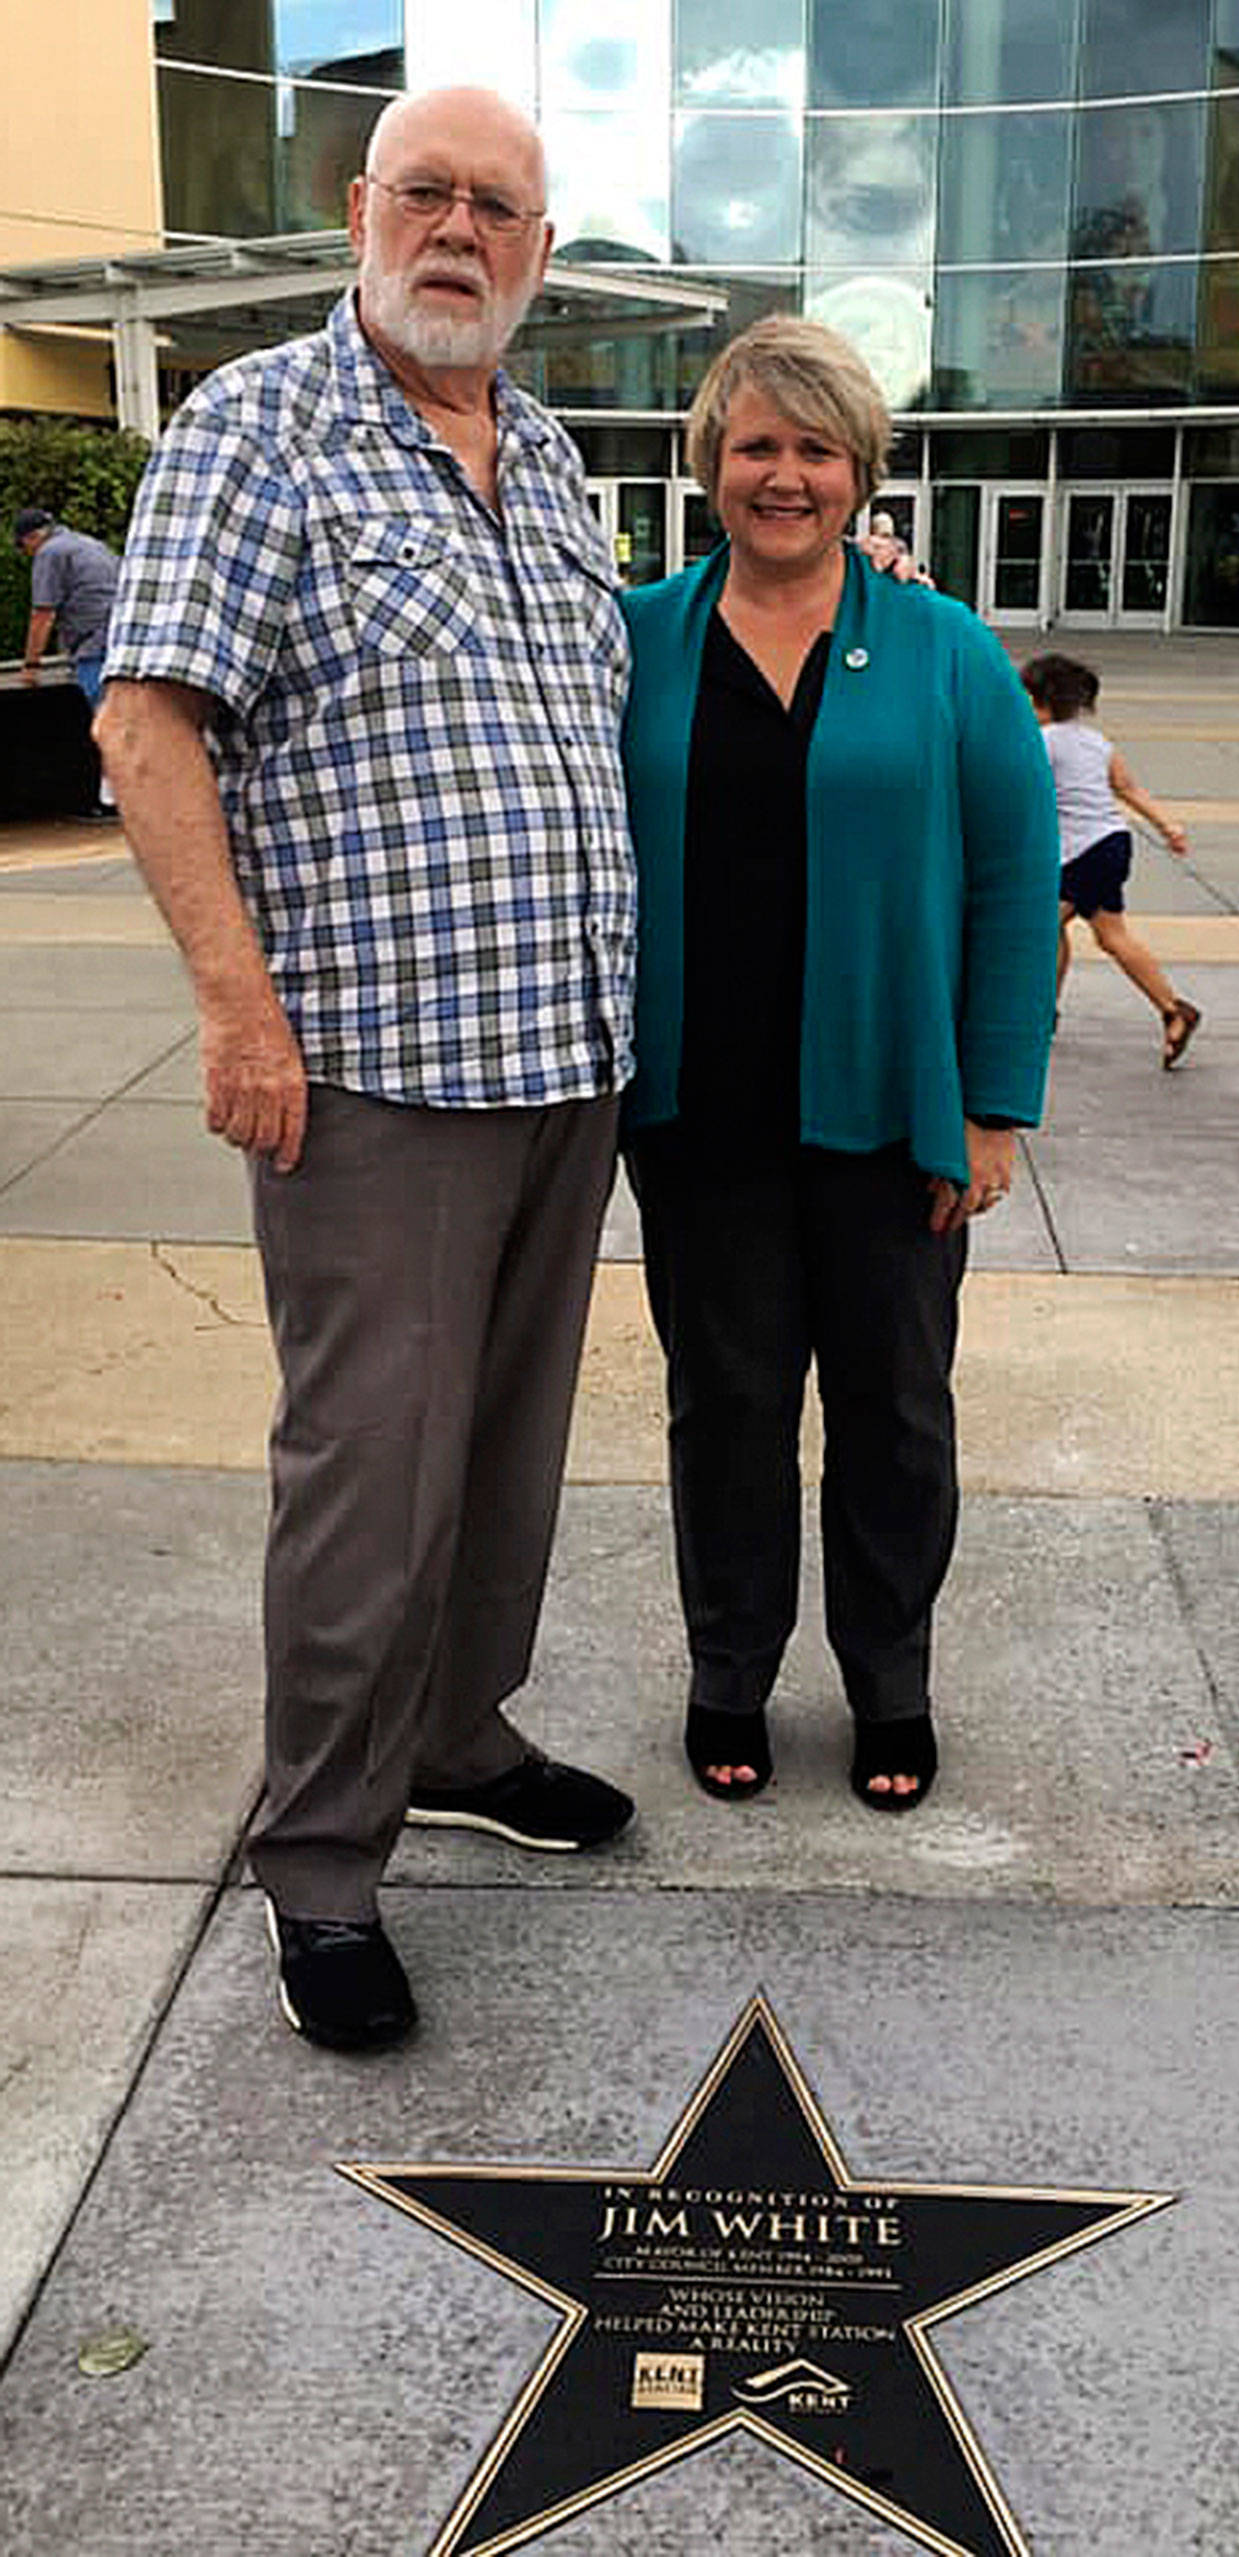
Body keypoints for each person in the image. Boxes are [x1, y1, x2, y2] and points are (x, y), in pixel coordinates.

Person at [96, 86, 637, 2054]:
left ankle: (462, 1733)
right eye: (429, 193)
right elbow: (147, 722)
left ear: (539, 253)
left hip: (563, 1053)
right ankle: (321, 1858)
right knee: (366, 1481)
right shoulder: (262, 425)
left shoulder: (556, 450)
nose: (460, 231)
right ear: (359, 210)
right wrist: (238, 1008)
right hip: (376, 1077)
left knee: (501, 1454)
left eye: (500, 207)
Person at [620, 316, 1059, 1811]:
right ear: (710, 467)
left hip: (890, 1118)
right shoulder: (635, 638)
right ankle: (729, 1671)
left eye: (815, 449)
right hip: (700, 1118)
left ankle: (891, 1682)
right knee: (724, 1410)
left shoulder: (944, 651)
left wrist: (994, 1106)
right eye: (756, 446)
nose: (785, 476)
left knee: (895, 1411)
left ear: (861, 471)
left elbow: (1015, 877)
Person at [1020, 652, 1200, 1066]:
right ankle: (1043, 1012)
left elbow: (1017, 794)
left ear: (1039, 700)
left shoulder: (1043, 742)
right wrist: (1167, 825)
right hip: (1109, 843)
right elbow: (1128, 787)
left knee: (1104, 935)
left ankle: (1175, 1010)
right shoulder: (1095, 741)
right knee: (1054, 927)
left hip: (1085, 850)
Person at [14, 505, 120, 816]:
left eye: (23, 548)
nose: (27, 555)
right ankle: (114, 796)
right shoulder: (92, 544)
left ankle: (114, 800)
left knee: (106, 724)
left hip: (94, 645)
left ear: (32, 537)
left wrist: (31, 664)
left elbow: (43, 612)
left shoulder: (50, 553)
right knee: (124, 719)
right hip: (123, 638)